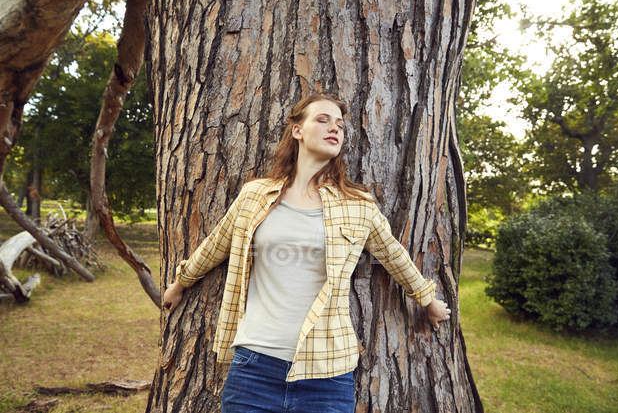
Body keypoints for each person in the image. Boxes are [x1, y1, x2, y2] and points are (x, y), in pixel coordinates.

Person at [163, 92, 451, 413]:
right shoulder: (255, 195)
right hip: (254, 365)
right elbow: (218, 242)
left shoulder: (357, 206)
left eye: (340, 125)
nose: (335, 129)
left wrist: (427, 300)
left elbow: (394, 255)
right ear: (297, 130)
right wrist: (180, 283)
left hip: (327, 373)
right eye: (323, 120)